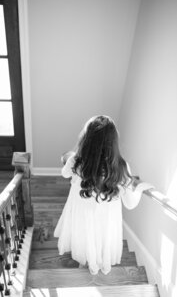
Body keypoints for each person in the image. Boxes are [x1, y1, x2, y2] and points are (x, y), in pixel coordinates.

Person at [54, 115, 153, 275]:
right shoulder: (121, 167)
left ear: (86, 139)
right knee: (101, 237)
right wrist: (139, 188)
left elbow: (65, 174)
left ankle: (85, 259)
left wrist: (67, 158)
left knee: (84, 233)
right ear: (113, 142)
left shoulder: (76, 161)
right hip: (106, 216)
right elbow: (129, 203)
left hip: (82, 210)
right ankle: (97, 262)